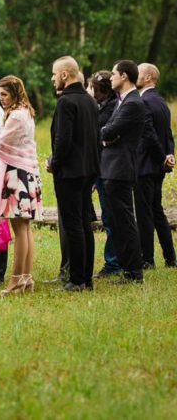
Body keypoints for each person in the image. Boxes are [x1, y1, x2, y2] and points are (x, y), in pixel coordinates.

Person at [46, 57, 101, 291]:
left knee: (73, 225)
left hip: (70, 172)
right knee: (84, 223)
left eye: (54, 74)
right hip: (89, 169)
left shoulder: (66, 102)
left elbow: (63, 140)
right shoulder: (90, 101)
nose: (52, 78)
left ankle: (77, 279)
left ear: (65, 75)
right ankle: (86, 278)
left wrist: (54, 163)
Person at [0, 76, 42, 295]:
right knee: (24, 228)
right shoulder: (25, 112)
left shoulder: (17, 116)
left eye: (5, 94)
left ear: (15, 92)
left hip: (17, 174)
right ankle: (26, 277)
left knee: (19, 229)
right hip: (25, 171)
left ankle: (15, 280)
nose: (1, 98)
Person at [99, 60, 148, 284]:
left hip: (120, 168)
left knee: (125, 221)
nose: (110, 78)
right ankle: (128, 268)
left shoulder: (132, 103)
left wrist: (108, 136)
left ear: (125, 76)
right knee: (117, 221)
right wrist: (108, 134)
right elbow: (108, 131)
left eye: (114, 74)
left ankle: (133, 272)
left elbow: (108, 131)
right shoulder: (123, 101)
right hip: (112, 167)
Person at [135, 63, 176, 268]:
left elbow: (149, 135)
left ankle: (147, 259)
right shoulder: (161, 102)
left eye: (139, 72)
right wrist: (169, 155)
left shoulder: (143, 102)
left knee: (144, 214)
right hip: (158, 167)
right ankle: (170, 257)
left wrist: (162, 157)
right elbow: (168, 134)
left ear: (149, 77)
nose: (136, 75)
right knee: (157, 211)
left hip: (145, 166)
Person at [88, 71, 121, 277]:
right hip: (100, 168)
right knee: (109, 216)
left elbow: (98, 132)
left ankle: (114, 263)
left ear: (103, 90)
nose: (91, 92)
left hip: (107, 169)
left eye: (94, 88)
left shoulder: (109, 108)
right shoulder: (102, 105)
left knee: (111, 216)